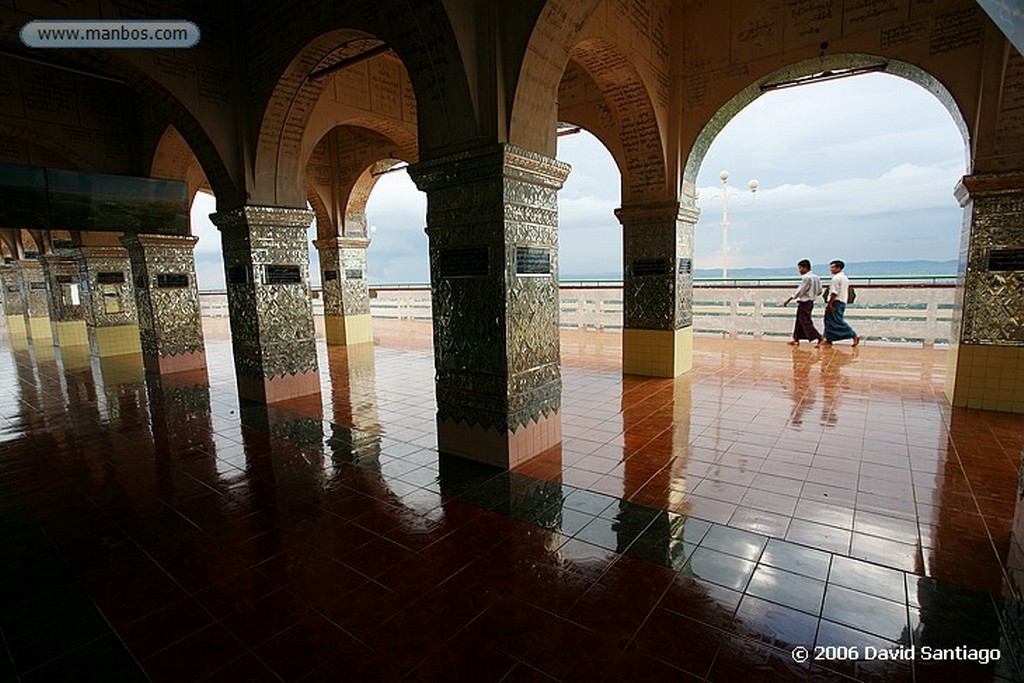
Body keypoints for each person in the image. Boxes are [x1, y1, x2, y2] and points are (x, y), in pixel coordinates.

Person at [783, 259, 824, 347]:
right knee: (799, 321)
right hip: (810, 302)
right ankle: (796, 339)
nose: (799, 270)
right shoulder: (816, 277)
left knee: (805, 321)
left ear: (805, 267)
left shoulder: (806, 278)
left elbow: (800, 291)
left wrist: (789, 299)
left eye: (800, 268)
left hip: (805, 302)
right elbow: (820, 291)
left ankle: (819, 337)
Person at [822, 259, 860, 346]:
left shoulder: (836, 278)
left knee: (837, 321)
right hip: (842, 301)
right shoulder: (844, 278)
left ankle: (853, 335)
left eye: (832, 267)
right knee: (830, 321)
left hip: (836, 302)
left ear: (838, 268)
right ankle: (828, 339)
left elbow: (834, 293)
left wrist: (830, 304)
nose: (831, 269)